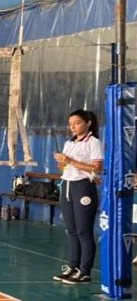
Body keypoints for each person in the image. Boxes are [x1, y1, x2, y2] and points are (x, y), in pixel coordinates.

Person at [52, 109, 104, 285]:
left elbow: (97, 169)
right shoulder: (69, 143)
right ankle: (73, 267)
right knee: (72, 231)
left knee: (84, 231)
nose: (73, 127)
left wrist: (70, 161)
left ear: (88, 123)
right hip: (67, 186)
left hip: (83, 187)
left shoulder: (94, 142)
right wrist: (61, 162)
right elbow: (63, 167)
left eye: (77, 123)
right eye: (70, 124)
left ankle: (85, 272)